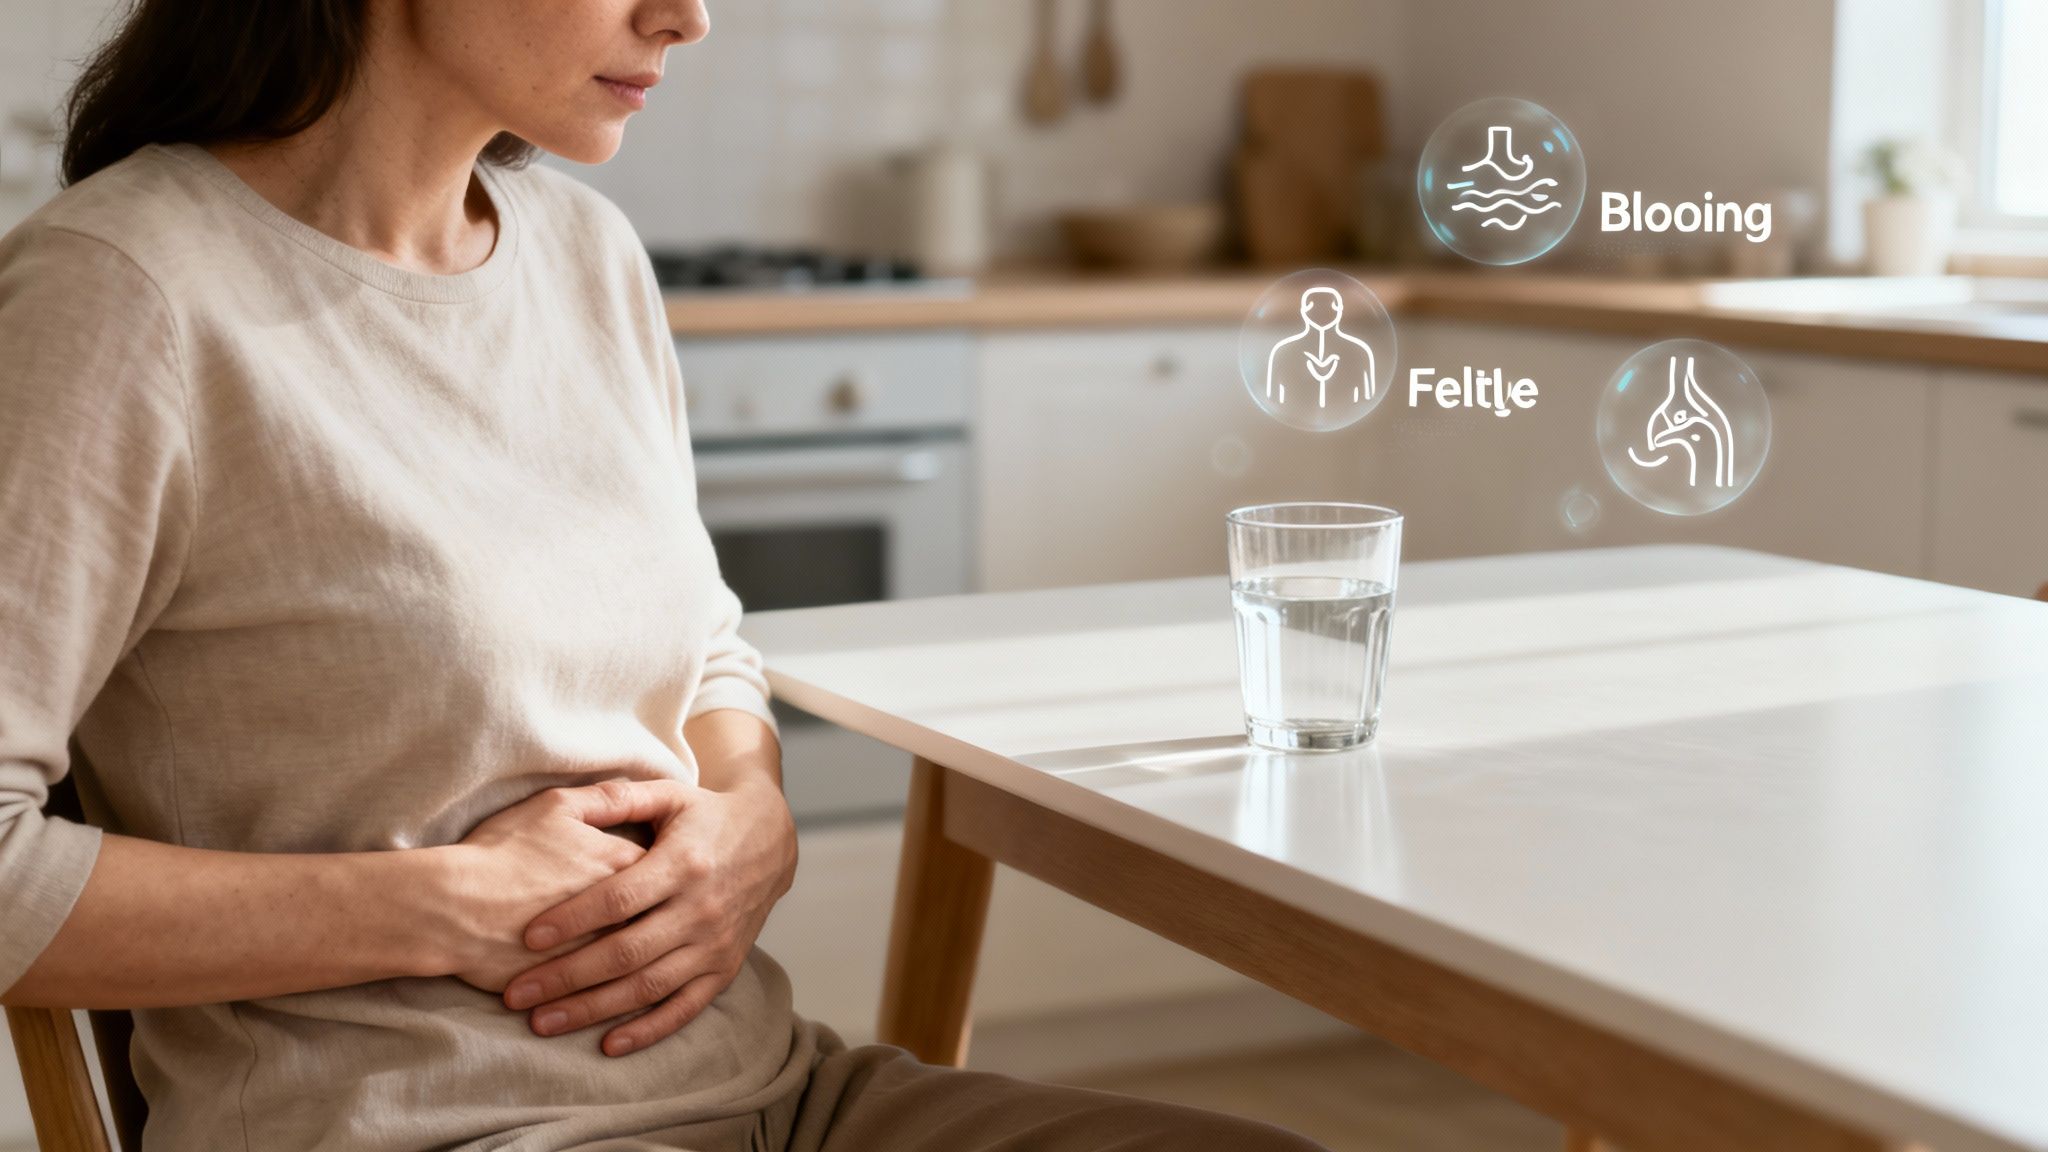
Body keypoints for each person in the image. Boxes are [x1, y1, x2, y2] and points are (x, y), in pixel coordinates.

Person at [0, 1, 1334, 1150]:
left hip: (778, 1096)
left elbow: (703, 641)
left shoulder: (588, 257)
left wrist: (754, 808)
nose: (690, 17)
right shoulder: (125, 295)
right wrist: (444, 910)